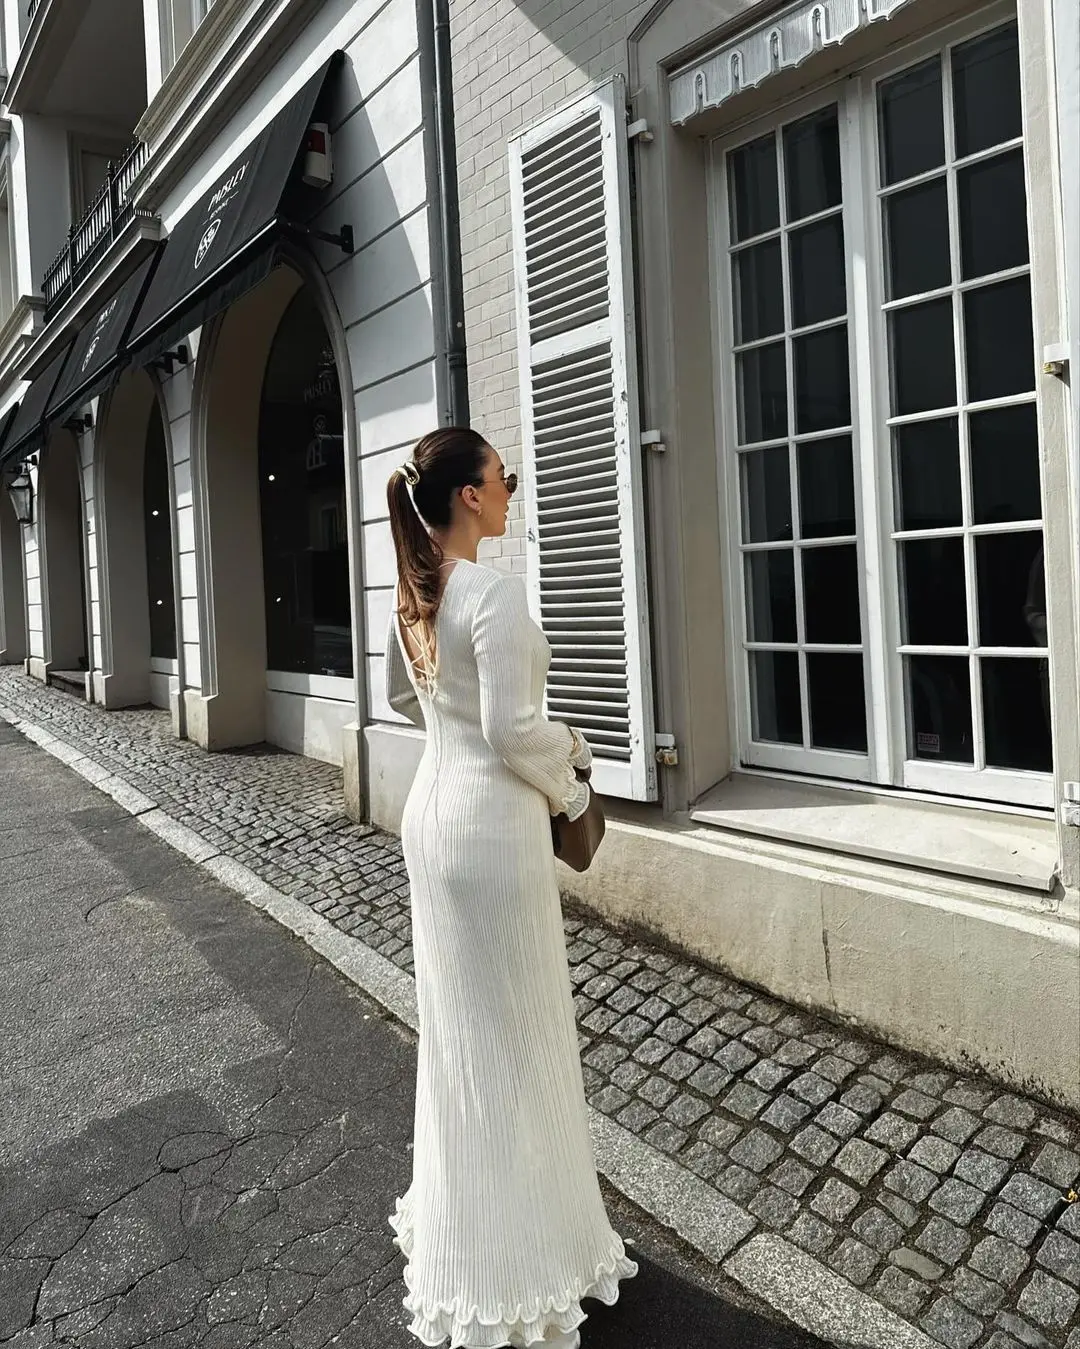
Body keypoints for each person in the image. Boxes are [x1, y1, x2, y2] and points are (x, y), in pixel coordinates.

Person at [384, 427, 637, 1349]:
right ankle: (524, 1262)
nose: (511, 490)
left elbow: (403, 699)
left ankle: (470, 1231)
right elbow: (512, 729)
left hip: (432, 822)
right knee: (521, 1035)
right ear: (469, 498)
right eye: (504, 478)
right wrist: (573, 768)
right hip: (490, 836)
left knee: (460, 1041)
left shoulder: (415, 592)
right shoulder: (489, 592)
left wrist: (465, 725)